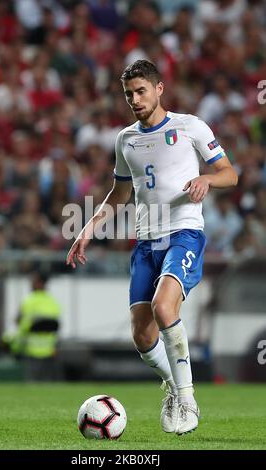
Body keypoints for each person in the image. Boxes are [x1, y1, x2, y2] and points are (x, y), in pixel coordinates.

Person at [66, 60, 238, 434]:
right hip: (147, 241)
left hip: (184, 233)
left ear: (160, 89)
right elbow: (120, 193)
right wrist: (88, 228)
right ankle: (174, 388)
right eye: (129, 94)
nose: (135, 99)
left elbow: (231, 173)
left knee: (164, 307)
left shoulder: (190, 126)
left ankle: (188, 399)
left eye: (141, 91)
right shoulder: (125, 139)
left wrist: (208, 179)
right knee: (142, 336)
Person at [3, 271, 61, 381]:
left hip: (30, 347)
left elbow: (22, 325)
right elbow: (56, 325)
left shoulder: (29, 301)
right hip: (49, 348)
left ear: (39, 283)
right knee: (46, 381)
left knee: (32, 381)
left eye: (33, 281)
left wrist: (13, 344)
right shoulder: (53, 302)